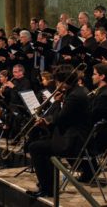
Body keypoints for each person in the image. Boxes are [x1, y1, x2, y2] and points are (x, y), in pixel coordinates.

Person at [27, 65, 89, 197]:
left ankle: (48, 188)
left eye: (57, 81)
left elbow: (60, 118)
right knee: (40, 142)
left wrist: (55, 103)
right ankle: (48, 182)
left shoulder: (74, 96)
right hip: (71, 135)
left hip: (72, 141)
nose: (56, 84)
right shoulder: (77, 91)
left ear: (63, 81)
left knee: (35, 147)